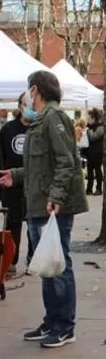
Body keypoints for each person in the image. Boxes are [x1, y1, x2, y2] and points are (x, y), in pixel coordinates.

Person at [0, 70, 88, 348]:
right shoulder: (40, 122)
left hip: (52, 206)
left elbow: (67, 162)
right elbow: (41, 166)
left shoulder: (55, 118)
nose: (25, 97)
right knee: (48, 267)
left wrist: (57, 195)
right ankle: (52, 321)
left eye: (28, 90)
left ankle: (64, 326)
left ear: (35, 90)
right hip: (39, 203)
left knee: (58, 266)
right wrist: (15, 174)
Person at [0, 94, 31, 277]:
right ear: (19, 106)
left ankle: (33, 259)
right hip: (11, 184)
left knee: (35, 224)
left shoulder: (38, 130)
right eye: (25, 105)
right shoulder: (7, 130)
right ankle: (12, 260)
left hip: (33, 184)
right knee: (13, 224)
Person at [85, 108, 105, 195]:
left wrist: (88, 131)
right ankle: (89, 189)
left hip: (97, 151)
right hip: (89, 152)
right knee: (89, 171)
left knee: (97, 170)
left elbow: (94, 137)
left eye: (90, 118)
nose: (88, 120)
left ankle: (99, 188)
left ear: (94, 118)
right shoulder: (89, 127)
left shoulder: (100, 127)